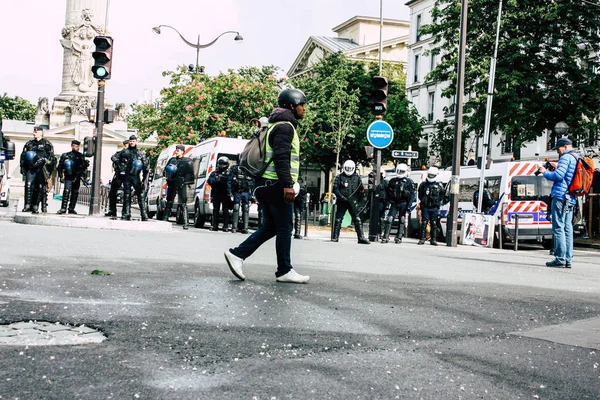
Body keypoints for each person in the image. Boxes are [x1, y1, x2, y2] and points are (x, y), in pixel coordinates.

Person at [224, 89, 310, 284]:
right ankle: (284, 270)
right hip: (276, 185)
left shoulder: (274, 125)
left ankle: (237, 255)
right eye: (301, 105)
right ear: (291, 106)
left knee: (271, 227)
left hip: (265, 184)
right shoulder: (285, 127)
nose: (304, 109)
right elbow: (281, 158)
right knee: (285, 227)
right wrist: (288, 184)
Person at [538, 137, 578, 268]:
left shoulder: (565, 157)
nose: (558, 152)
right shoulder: (576, 157)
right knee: (568, 228)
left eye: (558, 149)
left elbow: (558, 177)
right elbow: (567, 175)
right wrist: (556, 168)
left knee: (558, 227)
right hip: (571, 197)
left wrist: (545, 172)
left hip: (560, 196)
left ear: (565, 147)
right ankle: (568, 259)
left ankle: (560, 258)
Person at [111, 135, 149, 221]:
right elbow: (114, 157)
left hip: (136, 176)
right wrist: (120, 165)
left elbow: (146, 166)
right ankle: (126, 213)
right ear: (129, 142)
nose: (132, 142)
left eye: (133, 141)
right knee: (126, 194)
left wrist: (144, 179)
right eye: (131, 141)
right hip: (127, 175)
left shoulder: (140, 153)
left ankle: (143, 214)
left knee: (140, 195)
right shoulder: (125, 152)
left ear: (136, 142)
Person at [332, 160, 370, 244]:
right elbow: (335, 189)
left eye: (350, 168)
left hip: (353, 202)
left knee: (357, 219)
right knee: (338, 219)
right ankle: (335, 237)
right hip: (342, 201)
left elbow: (361, 191)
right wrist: (342, 197)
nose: (349, 170)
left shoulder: (357, 178)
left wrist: (360, 203)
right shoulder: (339, 177)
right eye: (347, 168)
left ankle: (361, 237)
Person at [20, 127, 54, 213]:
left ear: (41, 133)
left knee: (39, 188)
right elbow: (23, 156)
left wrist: (44, 161)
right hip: (31, 169)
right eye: (34, 131)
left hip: (41, 169)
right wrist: (22, 167)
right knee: (28, 185)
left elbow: (50, 157)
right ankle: (27, 205)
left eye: (36, 132)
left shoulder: (47, 144)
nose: (34, 133)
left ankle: (35, 206)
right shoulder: (29, 144)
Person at [381, 163, 414, 244]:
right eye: (398, 171)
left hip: (404, 203)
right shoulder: (393, 181)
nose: (400, 173)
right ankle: (386, 236)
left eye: (402, 171)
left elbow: (412, 194)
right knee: (389, 219)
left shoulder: (409, 182)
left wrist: (409, 205)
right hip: (394, 203)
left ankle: (399, 237)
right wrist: (388, 203)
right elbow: (388, 193)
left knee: (402, 220)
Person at [163, 144, 193, 229]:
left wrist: (185, 181)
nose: (177, 152)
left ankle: (186, 223)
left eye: (178, 150)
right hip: (172, 182)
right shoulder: (172, 160)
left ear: (183, 152)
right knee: (169, 201)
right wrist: (168, 177)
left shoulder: (187, 161)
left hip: (181, 183)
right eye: (176, 150)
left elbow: (190, 174)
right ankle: (165, 220)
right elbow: (165, 171)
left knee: (183, 203)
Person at [56, 140, 89, 214]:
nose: (77, 148)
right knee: (67, 191)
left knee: (75, 192)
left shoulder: (80, 156)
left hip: (77, 176)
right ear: (72, 146)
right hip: (68, 176)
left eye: (78, 146)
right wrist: (60, 176)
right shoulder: (66, 155)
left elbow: (83, 168)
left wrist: (85, 170)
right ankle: (63, 208)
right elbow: (60, 167)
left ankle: (71, 208)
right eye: (76, 146)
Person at [417, 166, 446, 245]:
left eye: (432, 175)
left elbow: (441, 196)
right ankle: (422, 239)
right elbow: (420, 195)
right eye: (430, 175)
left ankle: (433, 239)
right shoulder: (423, 184)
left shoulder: (439, 185)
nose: (431, 177)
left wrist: (436, 202)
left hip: (434, 207)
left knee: (434, 223)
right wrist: (424, 201)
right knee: (424, 223)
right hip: (425, 207)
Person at [228, 161, 255, 234]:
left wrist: (252, 194)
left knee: (246, 209)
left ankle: (245, 227)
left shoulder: (249, 168)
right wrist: (229, 192)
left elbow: (253, 181)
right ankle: (234, 227)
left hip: (246, 192)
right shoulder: (235, 168)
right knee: (236, 208)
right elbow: (229, 180)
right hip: (237, 191)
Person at [105, 139, 129, 217]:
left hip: (128, 175)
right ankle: (112, 210)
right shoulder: (119, 153)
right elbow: (113, 157)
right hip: (119, 175)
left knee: (127, 193)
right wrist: (118, 161)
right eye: (127, 145)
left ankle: (125, 212)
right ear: (125, 145)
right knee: (112, 192)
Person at [208, 156, 231, 231]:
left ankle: (226, 226)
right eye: (220, 163)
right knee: (215, 210)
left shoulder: (229, 174)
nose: (221, 165)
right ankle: (215, 225)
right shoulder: (214, 173)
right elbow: (210, 181)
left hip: (225, 194)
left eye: (223, 163)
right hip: (216, 193)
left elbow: (230, 183)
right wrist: (217, 180)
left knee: (225, 210)